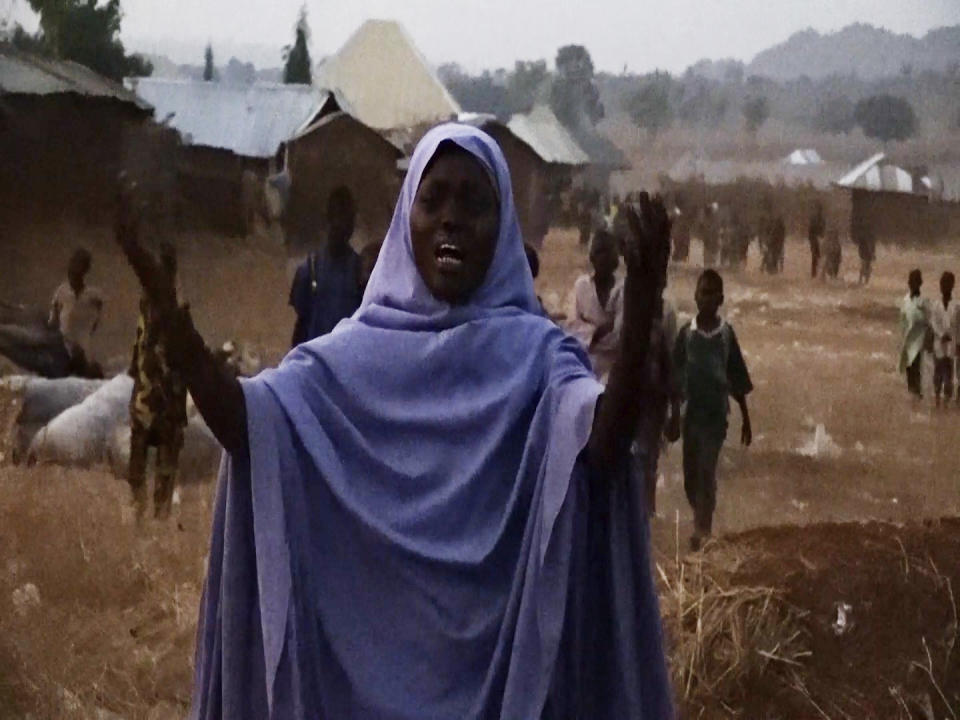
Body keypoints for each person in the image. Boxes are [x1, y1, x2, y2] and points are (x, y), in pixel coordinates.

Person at [115, 124, 673, 719]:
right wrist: (162, 299)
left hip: (504, 689)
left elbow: (604, 449)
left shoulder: (541, 360)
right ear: (407, 218)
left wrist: (642, 301)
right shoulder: (347, 358)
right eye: (433, 200)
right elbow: (252, 425)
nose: (451, 219)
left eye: (474, 203)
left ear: (504, 225)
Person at [673, 269, 753, 551]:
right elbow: (674, 377)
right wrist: (671, 416)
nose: (705, 298)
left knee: (706, 470)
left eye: (711, 294)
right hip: (690, 415)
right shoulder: (686, 334)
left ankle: (702, 529)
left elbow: (737, 378)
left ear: (720, 299)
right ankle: (701, 515)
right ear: (695, 296)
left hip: (715, 417)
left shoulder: (726, 335)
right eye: (701, 292)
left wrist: (745, 419)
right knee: (690, 476)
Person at [126, 242, 188, 520]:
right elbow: (141, 345)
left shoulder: (171, 305)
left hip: (161, 393)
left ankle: (153, 516)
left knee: (159, 460)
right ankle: (144, 515)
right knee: (145, 460)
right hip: (152, 391)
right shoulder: (153, 303)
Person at [288, 186, 362, 347]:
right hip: (315, 360)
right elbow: (301, 325)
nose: (341, 227)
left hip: (346, 360)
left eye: (346, 222)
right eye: (337, 220)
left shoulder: (361, 272)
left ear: (352, 227)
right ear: (328, 220)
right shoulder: (309, 269)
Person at [568, 228, 624, 380]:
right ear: (592, 257)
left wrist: (589, 332)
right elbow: (572, 327)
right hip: (583, 365)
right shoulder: (581, 286)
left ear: (616, 259)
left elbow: (619, 336)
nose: (605, 258)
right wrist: (600, 330)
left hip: (615, 369)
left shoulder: (624, 289)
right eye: (600, 252)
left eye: (609, 252)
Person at [48, 248, 104, 374]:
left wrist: (83, 339)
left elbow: (96, 324)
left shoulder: (94, 296)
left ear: (85, 271)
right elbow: (53, 322)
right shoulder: (61, 292)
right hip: (62, 349)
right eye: (72, 269)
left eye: (79, 268)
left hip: (84, 351)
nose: (74, 273)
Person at [898, 269, 930, 399]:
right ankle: (914, 396)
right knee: (909, 369)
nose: (913, 284)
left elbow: (928, 321)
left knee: (915, 367)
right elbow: (902, 321)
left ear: (920, 283)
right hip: (908, 339)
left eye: (916, 282)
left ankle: (916, 394)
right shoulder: (906, 300)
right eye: (911, 281)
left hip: (918, 340)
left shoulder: (923, 302)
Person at [930, 271, 958, 407]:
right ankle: (937, 397)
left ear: (952, 286)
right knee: (938, 371)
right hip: (939, 343)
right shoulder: (936, 305)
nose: (944, 287)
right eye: (943, 284)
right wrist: (942, 335)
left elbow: (958, 326)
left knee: (949, 372)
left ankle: (946, 399)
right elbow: (934, 323)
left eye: (947, 284)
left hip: (951, 343)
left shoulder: (957, 306)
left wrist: (957, 342)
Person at [808, 202, 825, 279]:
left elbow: (823, 231)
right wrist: (812, 242)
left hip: (820, 240)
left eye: (819, 209)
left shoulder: (821, 219)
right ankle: (814, 274)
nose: (818, 211)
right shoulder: (815, 219)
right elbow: (810, 232)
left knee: (819, 258)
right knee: (815, 258)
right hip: (815, 240)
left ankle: (818, 275)